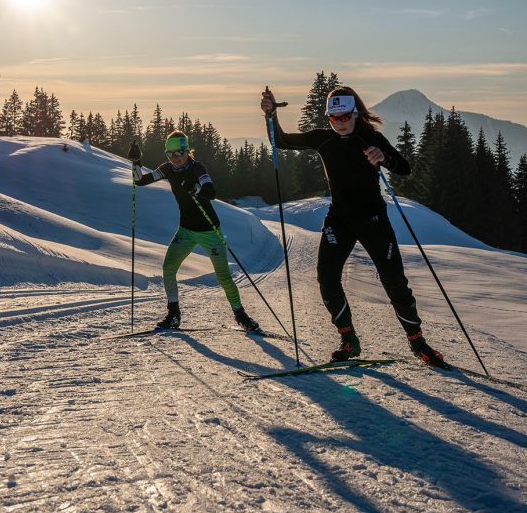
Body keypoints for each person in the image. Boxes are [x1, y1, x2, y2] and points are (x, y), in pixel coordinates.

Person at [260, 85, 446, 367]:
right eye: (334, 118)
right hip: (340, 219)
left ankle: (417, 342)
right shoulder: (323, 140)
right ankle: (348, 339)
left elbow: (405, 168)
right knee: (327, 278)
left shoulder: (370, 138)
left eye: (345, 117)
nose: (340, 123)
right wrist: (271, 116)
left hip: (373, 220)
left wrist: (384, 158)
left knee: (394, 282)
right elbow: (282, 142)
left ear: (355, 113)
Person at [129, 131, 260, 332]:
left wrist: (196, 189)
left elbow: (211, 192)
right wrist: (137, 161)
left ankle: (241, 315)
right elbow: (140, 181)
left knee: (224, 277)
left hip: (210, 232)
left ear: (186, 151)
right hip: (186, 231)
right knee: (168, 268)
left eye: (178, 153)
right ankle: (174, 315)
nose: (174, 158)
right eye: (169, 154)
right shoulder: (167, 169)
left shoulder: (197, 168)